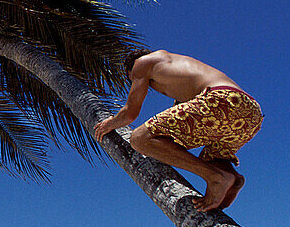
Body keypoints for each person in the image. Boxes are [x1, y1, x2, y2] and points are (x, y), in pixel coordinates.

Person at [93, 49, 263, 212]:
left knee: (140, 138)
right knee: (209, 158)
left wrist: (109, 124)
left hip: (220, 99)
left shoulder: (142, 63)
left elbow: (130, 114)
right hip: (250, 114)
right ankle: (231, 177)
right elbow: (173, 139)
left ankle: (215, 177)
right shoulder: (178, 69)